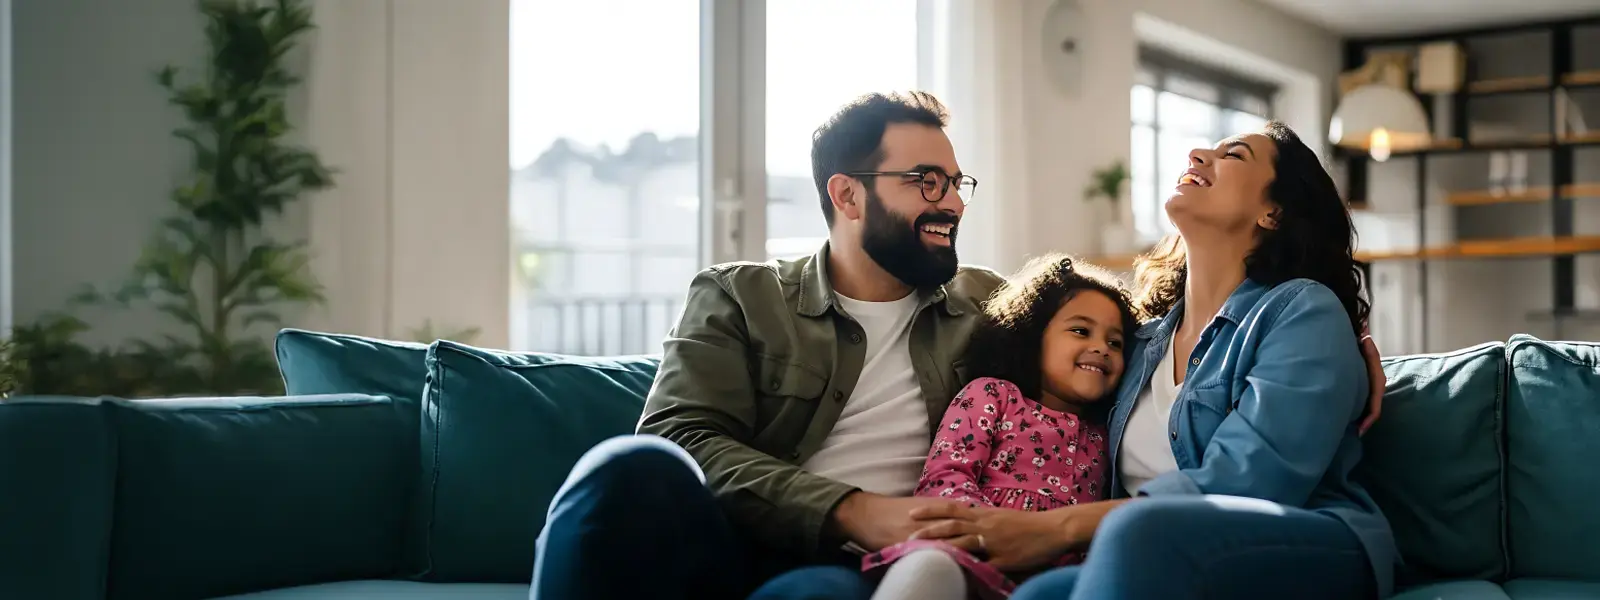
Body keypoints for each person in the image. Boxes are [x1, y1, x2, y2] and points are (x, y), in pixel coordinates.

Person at [527, 90, 1388, 600]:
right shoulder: (740, 295)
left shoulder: (988, 304)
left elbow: (1100, 327)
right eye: (924, 182)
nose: (952, 201)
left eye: (956, 181)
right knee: (623, 473)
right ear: (848, 195)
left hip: (914, 560)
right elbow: (683, 437)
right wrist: (847, 510)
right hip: (786, 536)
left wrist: (1345, 332)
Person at [907, 122, 1397, 600]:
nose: (1198, 156)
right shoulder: (1137, 344)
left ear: (1273, 211)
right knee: (1042, 592)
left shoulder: (1300, 311)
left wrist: (1057, 528)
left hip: (1309, 543)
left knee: (1140, 530)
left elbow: (1251, 484)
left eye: (1234, 155)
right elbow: (1039, 321)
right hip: (1148, 551)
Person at [863, 255, 1139, 600]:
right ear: (1032, 336)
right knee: (930, 565)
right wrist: (984, 531)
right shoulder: (993, 395)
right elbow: (946, 475)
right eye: (1081, 331)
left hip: (1058, 574)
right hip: (971, 551)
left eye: (1115, 342)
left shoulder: (1108, 432)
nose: (1101, 348)